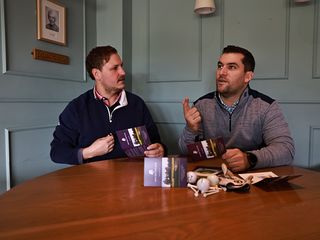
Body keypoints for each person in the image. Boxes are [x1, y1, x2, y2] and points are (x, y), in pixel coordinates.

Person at [179, 45, 295, 173]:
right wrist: (191, 130)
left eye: (231, 67)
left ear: (248, 76)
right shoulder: (201, 105)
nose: (221, 72)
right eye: (220, 66)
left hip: (253, 180)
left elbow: (286, 150)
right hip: (213, 179)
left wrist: (249, 159)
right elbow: (186, 152)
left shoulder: (266, 106)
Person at [50, 45, 166, 165]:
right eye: (115, 68)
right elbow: (57, 152)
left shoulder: (137, 104)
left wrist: (160, 150)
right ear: (97, 74)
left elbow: (156, 142)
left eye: (121, 66)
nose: (123, 72)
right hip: (92, 180)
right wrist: (89, 152)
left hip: (131, 180)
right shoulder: (77, 108)